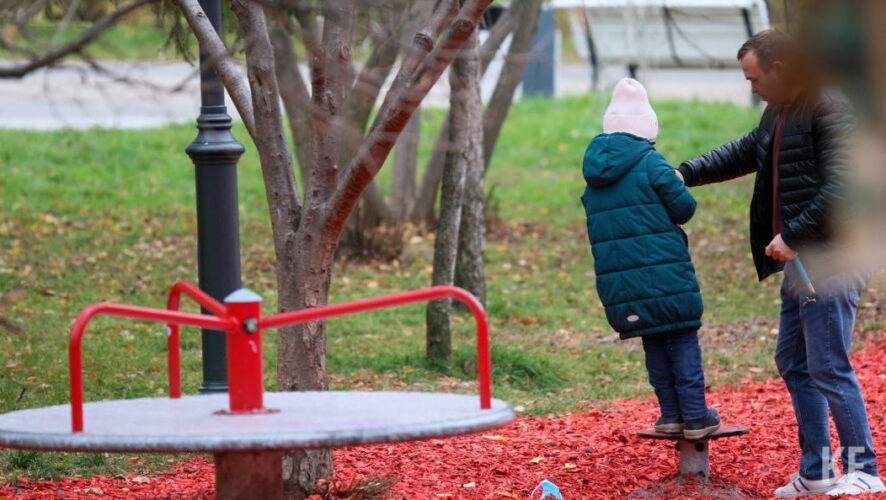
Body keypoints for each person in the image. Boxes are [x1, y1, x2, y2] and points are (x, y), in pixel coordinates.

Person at [676, 30, 884, 497]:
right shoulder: (780, 110)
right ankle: (818, 472)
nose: (752, 88)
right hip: (803, 260)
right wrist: (683, 173)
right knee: (794, 361)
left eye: (754, 79)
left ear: (780, 69)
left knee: (827, 364)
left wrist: (792, 235)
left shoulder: (830, 106)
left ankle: (864, 469)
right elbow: (745, 151)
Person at [580, 77, 720, 441]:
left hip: (623, 282)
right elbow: (684, 208)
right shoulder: (651, 162)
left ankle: (670, 414)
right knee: (682, 336)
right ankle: (696, 416)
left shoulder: (593, 174)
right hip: (666, 272)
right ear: (647, 126)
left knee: (654, 341)